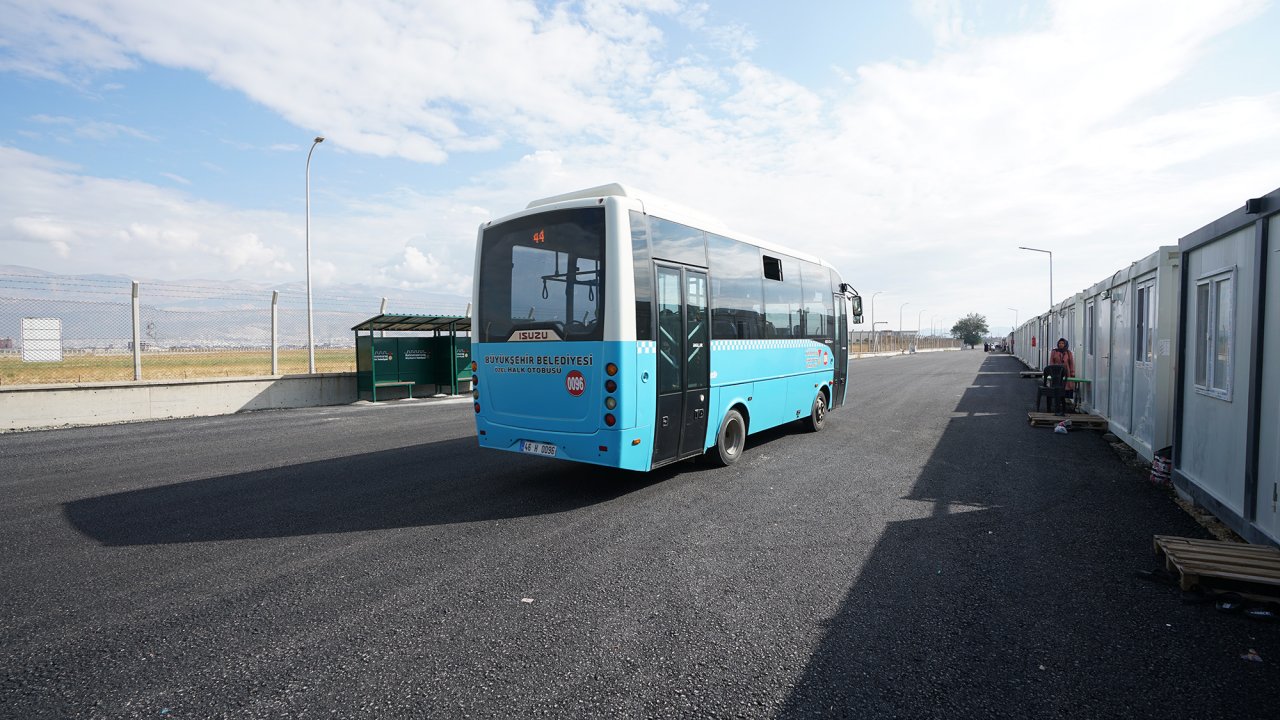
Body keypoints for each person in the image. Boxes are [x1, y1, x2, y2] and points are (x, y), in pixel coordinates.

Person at [1049, 337, 1076, 412]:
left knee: (1065, 387)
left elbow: (1071, 363)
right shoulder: (1054, 351)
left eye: (1062, 343)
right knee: (1058, 386)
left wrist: (1072, 372)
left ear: (1065, 344)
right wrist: (1052, 371)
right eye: (1060, 343)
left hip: (1066, 372)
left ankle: (1064, 404)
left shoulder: (1068, 352)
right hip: (1057, 373)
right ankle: (1058, 403)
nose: (1061, 345)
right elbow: (1051, 361)